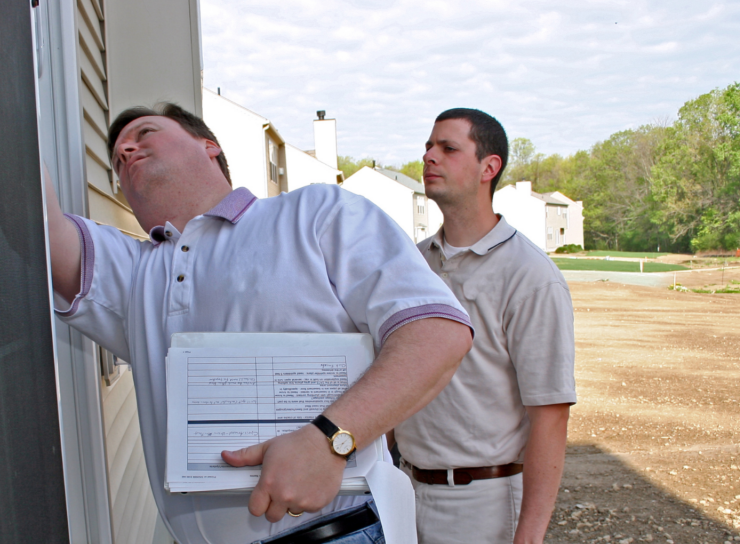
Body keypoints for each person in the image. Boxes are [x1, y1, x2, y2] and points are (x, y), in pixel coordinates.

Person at [44, 103, 474, 544]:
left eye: (145, 133)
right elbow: (40, 223)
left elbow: (437, 333)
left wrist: (330, 441)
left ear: (208, 146)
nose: (126, 151)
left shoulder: (315, 212)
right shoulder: (134, 272)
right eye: (116, 158)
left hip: (335, 534)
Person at [394, 108, 576, 544]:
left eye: (448, 148)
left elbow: (549, 415)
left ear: (488, 168)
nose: (429, 158)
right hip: (404, 492)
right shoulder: (410, 264)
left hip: (483, 505)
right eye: (428, 147)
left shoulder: (530, 276)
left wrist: (528, 536)